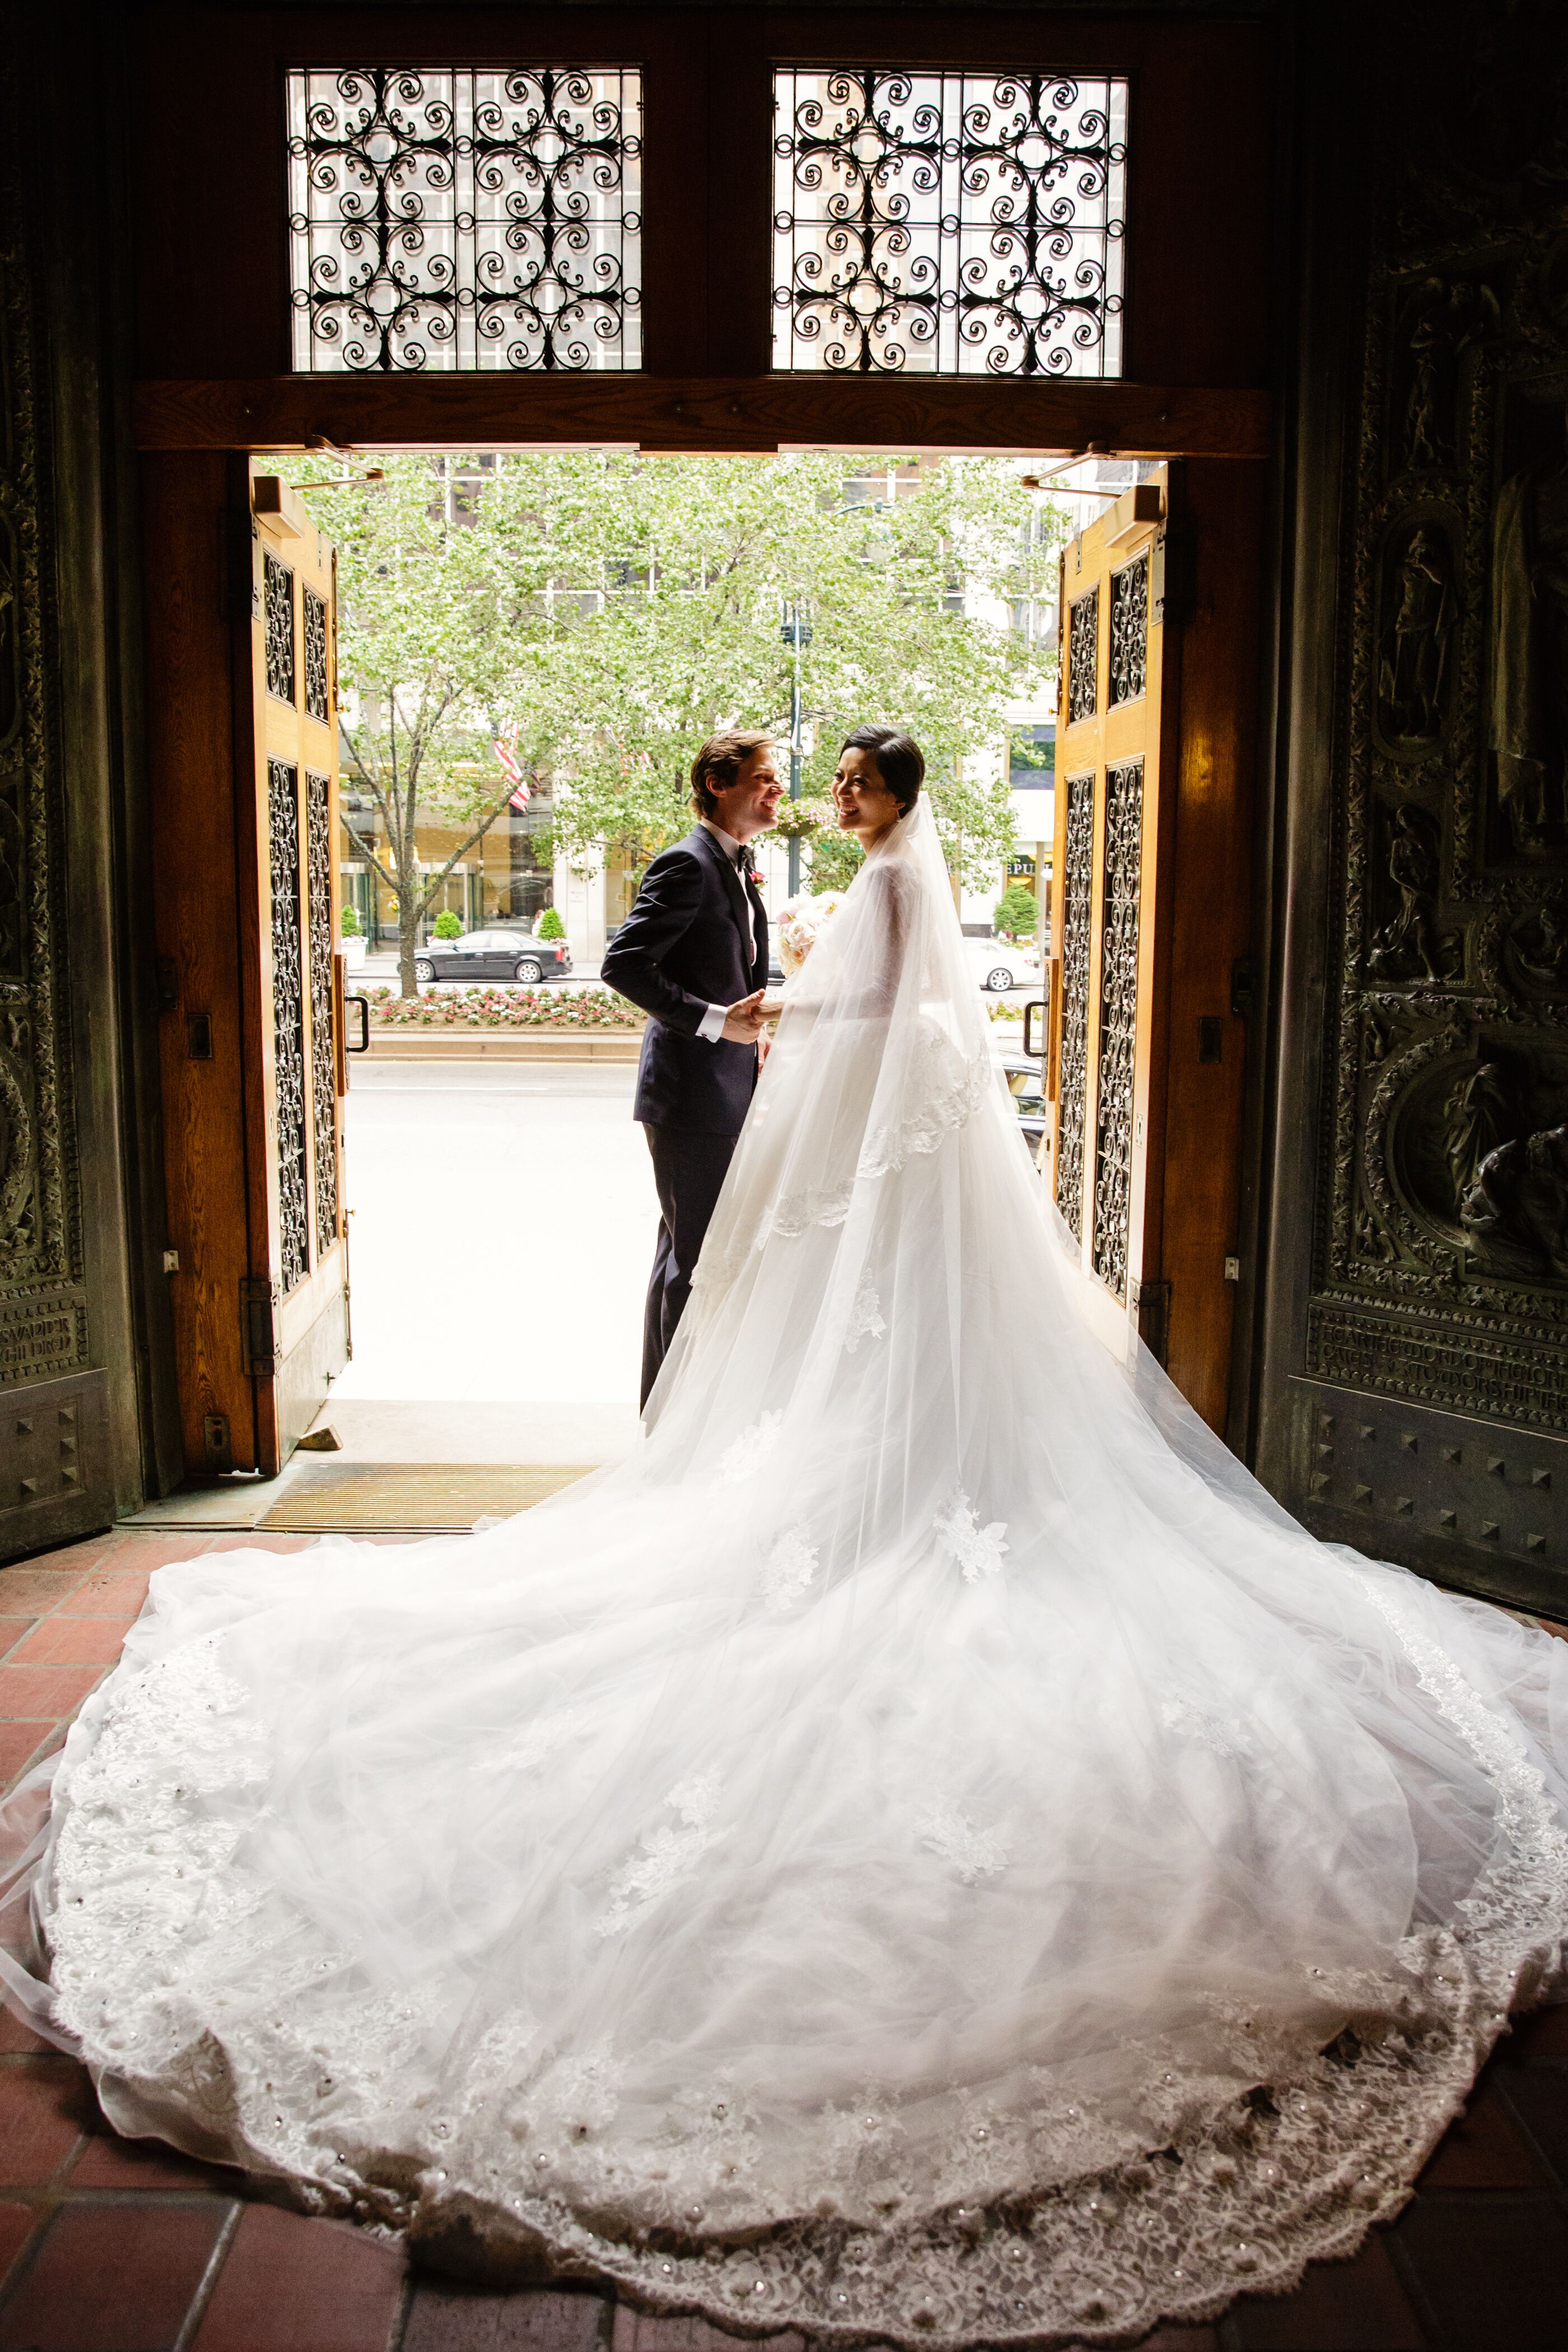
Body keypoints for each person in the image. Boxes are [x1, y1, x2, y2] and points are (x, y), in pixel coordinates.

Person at [3, 729, 1567, 2350]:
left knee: (756, 1300)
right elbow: (835, 1004)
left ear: (884, 803)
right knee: (728, 1288)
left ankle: (779, 1468)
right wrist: (766, 1009)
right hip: (792, 1103)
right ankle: (745, 1453)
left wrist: (789, 1006)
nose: (816, 800)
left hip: (842, 1115)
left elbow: (884, 1014)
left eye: (841, 788)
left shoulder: (883, 879)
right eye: (792, 785)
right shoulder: (830, 872)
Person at [601, 730, 780, 1404]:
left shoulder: (734, 862)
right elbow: (623, 965)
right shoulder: (688, 863)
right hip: (691, 1097)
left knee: (685, 1255)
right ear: (718, 784)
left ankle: (664, 1414)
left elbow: (732, 969)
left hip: (727, 1089)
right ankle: (673, 1428)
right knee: (697, 1264)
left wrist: (755, 1030)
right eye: (763, 778)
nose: (776, 789)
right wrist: (716, 1021)